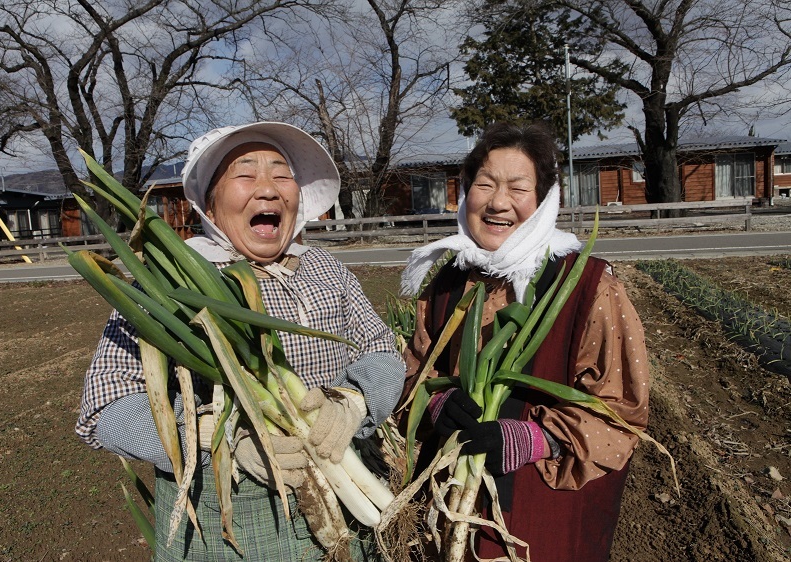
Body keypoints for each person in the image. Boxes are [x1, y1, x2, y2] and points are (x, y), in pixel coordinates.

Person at [75, 122, 405, 561]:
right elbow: (108, 403)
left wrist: (353, 401)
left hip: (351, 504)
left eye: (282, 174)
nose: (268, 189)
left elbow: (381, 348)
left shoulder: (326, 269)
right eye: (245, 174)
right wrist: (220, 435)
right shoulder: (164, 286)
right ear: (209, 207)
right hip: (226, 524)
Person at [398, 121, 649, 561]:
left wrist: (533, 439)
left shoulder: (586, 285)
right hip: (452, 505)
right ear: (465, 192)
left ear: (545, 200)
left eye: (518, 188)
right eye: (484, 184)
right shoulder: (448, 282)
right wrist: (435, 402)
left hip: (542, 517)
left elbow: (622, 412)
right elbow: (415, 372)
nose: (498, 202)